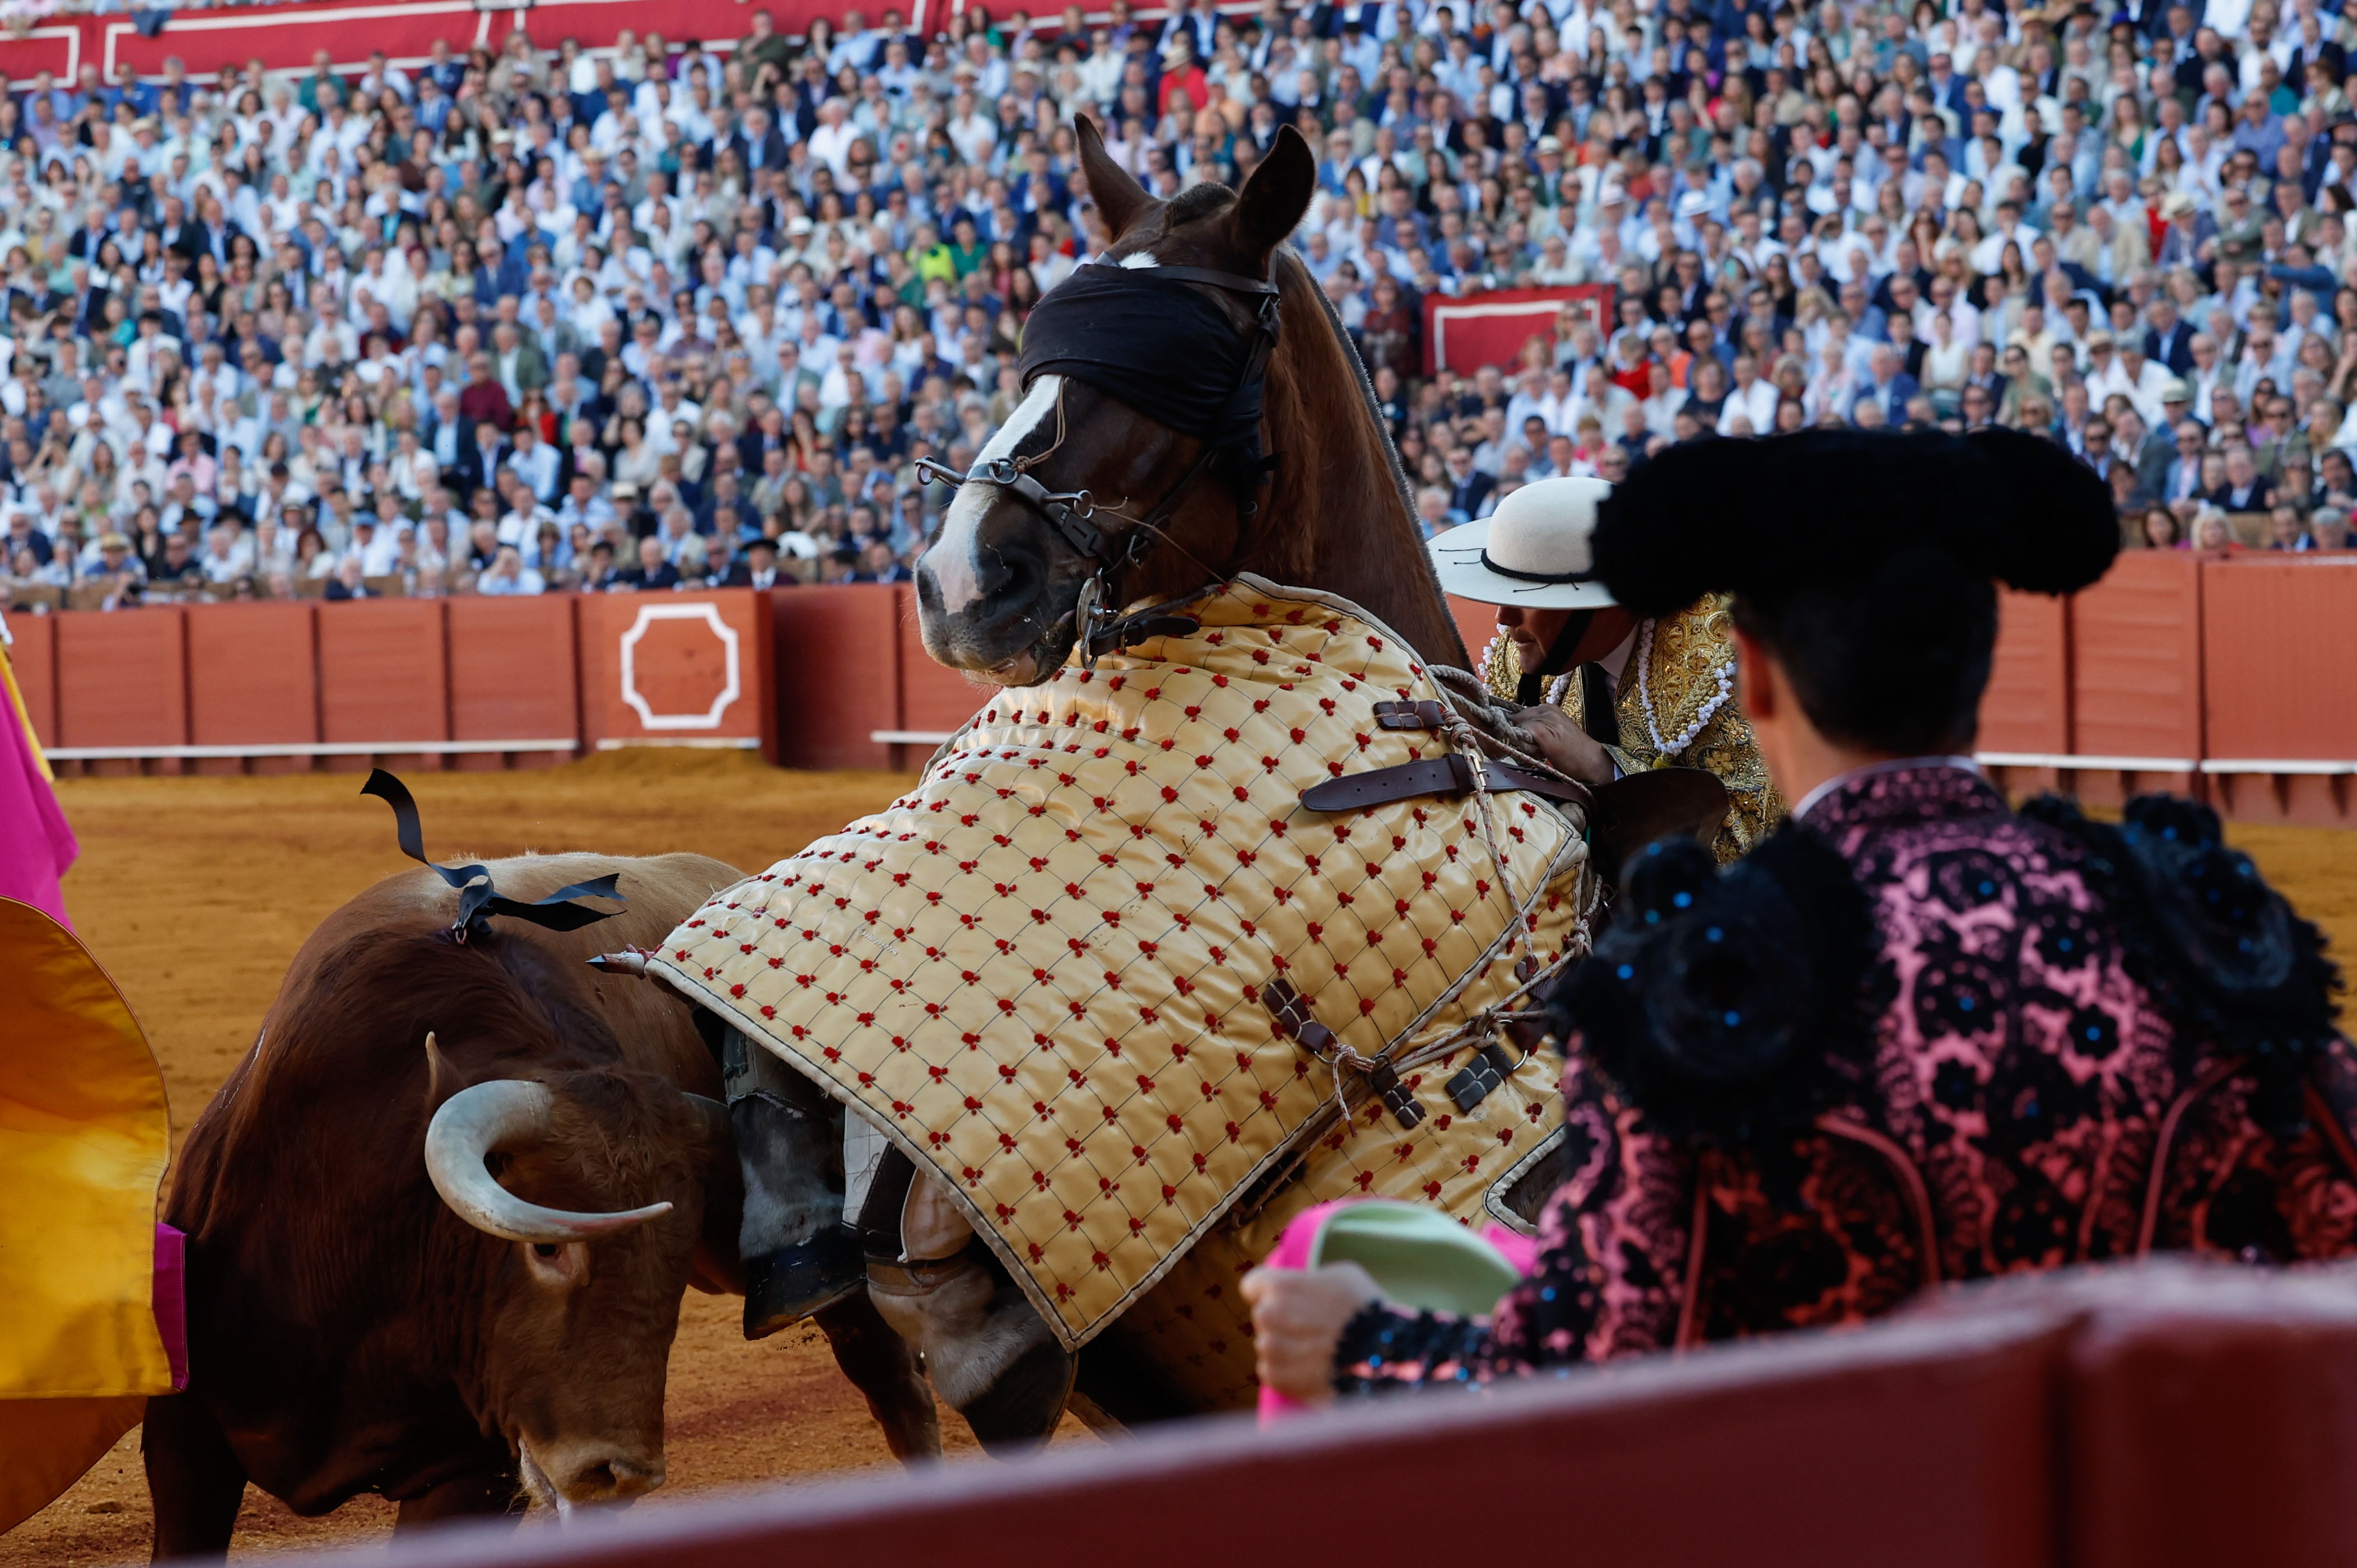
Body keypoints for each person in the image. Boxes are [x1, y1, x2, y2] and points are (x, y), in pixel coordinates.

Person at [1249, 429, 2357, 1398]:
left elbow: (1597, 1366)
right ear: (1979, 667)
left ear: (1761, 681)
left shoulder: (1699, 987)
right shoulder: (2199, 925)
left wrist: (1367, 1345)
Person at [1431, 478, 1781, 862]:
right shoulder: (1518, 653)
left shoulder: (1724, 666)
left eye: (1532, 597)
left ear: (1609, 605)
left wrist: (1604, 767)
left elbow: (1751, 840)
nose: (1504, 617)